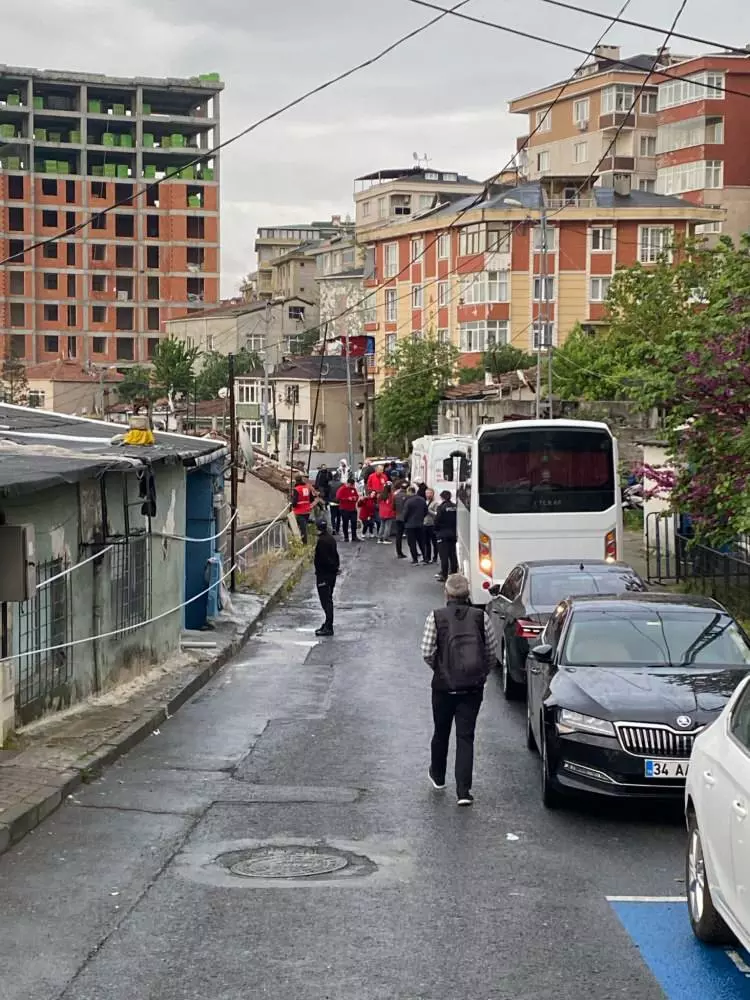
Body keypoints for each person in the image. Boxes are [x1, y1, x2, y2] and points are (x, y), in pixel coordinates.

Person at [420, 573, 497, 806]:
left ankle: (438, 776)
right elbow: (491, 651)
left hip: (443, 687)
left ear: (446, 594)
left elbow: (427, 651)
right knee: (465, 736)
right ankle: (463, 791)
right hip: (472, 688)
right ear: (467, 594)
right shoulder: (480, 617)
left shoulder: (435, 617)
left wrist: (441, 669)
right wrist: (481, 674)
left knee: (440, 731)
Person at [314, 518, 339, 637]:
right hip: (331, 574)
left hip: (324, 575)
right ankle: (327, 623)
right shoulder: (330, 539)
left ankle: (329, 626)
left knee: (326, 601)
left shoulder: (322, 541)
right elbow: (335, 556)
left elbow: (323, 559)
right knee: (328, 598)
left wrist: (322, 571)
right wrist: (335, 568)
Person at [434, 490, 459, 582]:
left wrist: (436, 530)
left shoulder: (441, 507)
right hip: (453, 533)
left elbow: (437, 520)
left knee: (444, 556)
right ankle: (454, 573)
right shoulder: (455, 507)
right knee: (453, 555)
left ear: (441, 497)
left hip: (443, 534)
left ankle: (444, 575)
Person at [402, 485, 428, 565]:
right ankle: (425, 558)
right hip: (420, 524)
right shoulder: (422, 500)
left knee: (412, 543)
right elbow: (425, 511)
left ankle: (415, 559)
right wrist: (421, 518)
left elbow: (405, 514)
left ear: (409, 491)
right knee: (422, 542)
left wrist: (405, 521)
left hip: (410, 525)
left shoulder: (408, 501)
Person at [336, 475, 360, 542]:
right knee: (345, 523)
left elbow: (357, 496)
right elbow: (338, 497)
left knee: (354, 522)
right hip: (344, 509)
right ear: (348, 483)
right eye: (351, 485)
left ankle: (354, 536)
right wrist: (347, 499)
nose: (352, 486)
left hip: (353, 508)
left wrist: (355, 498)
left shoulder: (353, 489)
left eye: (353, 485)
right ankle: (346, 537)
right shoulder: (342, 489)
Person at [291, 473, 313, 543]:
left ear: (296, 480)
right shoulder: (307, 488)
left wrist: (292, 504)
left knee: (302, 528)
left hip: (299, 511)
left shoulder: (296, 489)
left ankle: (304, 543)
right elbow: (311, 499)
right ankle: (303, 541)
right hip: (307, 511)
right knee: (304, 526)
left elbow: (294, 502)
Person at [393, 480, 409, 560]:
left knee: (398, 536)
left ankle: (399, 552)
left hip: (398, 517)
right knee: (410, 535)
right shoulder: (408, 496)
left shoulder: (396, 495)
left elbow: (393, 507)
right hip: (406, 518)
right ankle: (414, 552)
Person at [423, 487, 439, 564]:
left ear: (433, 494)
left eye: (430, 493)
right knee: (426, 542)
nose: (428, 495)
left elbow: (436, 514)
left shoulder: (435, 503)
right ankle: (427, 558)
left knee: (434, 542)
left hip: (432, 525)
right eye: (427, 493)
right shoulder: (424, 502)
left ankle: (435, 557)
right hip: (425, 524)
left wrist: (428, 510)